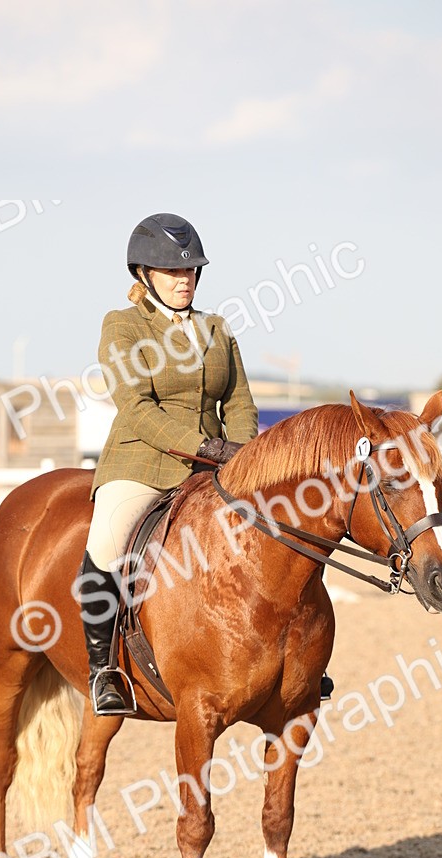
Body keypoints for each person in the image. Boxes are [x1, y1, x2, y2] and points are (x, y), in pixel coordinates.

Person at [76, 212, 259, 715]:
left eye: (191, 272)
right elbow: (136, 409)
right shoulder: (123, 326)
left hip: (219, 467)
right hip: (143, 463)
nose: (185, 281)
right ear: (144, 275)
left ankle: (296, 658)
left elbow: (239, 402)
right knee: (107, 545)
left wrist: (242, 454)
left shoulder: (216, 329)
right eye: (174, 273)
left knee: (279, 529)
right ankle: (103, 670)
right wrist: (206, 448)